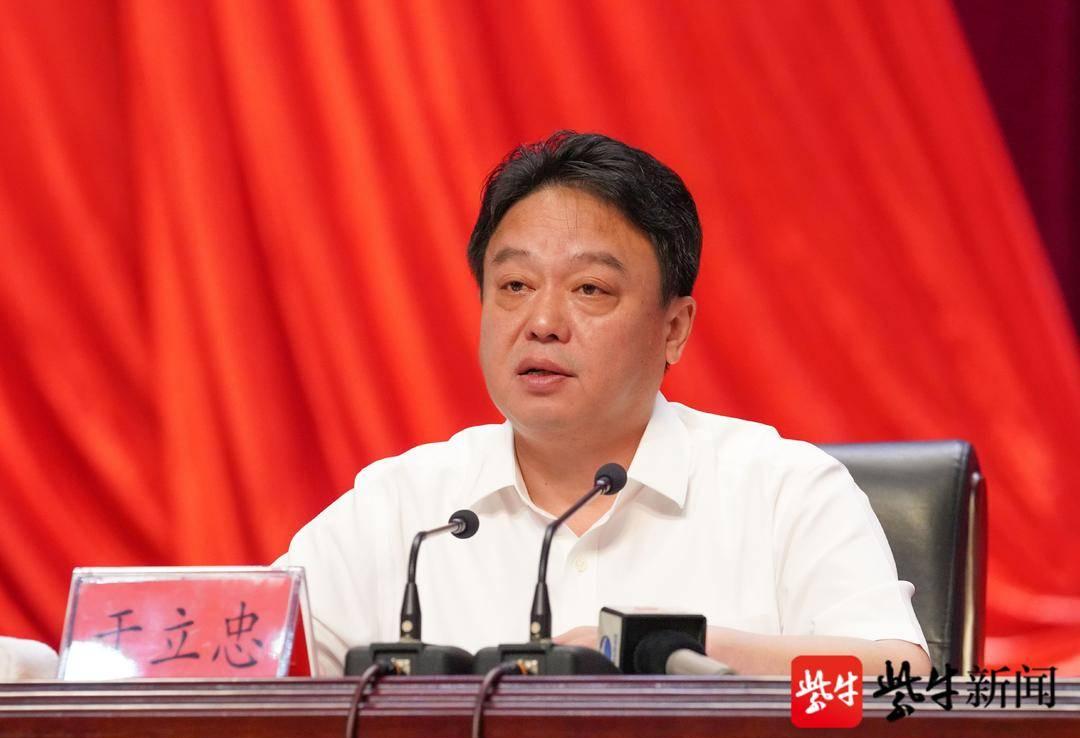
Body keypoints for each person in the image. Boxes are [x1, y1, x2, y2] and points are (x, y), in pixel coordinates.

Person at [279, 131, 930, 678]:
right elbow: (251, 661)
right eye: (514, 285)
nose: (542, 322)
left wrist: (670, 653)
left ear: (673, 328)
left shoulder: (783, 491)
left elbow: (898, 688)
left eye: (589, 289)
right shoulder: (403, 511)